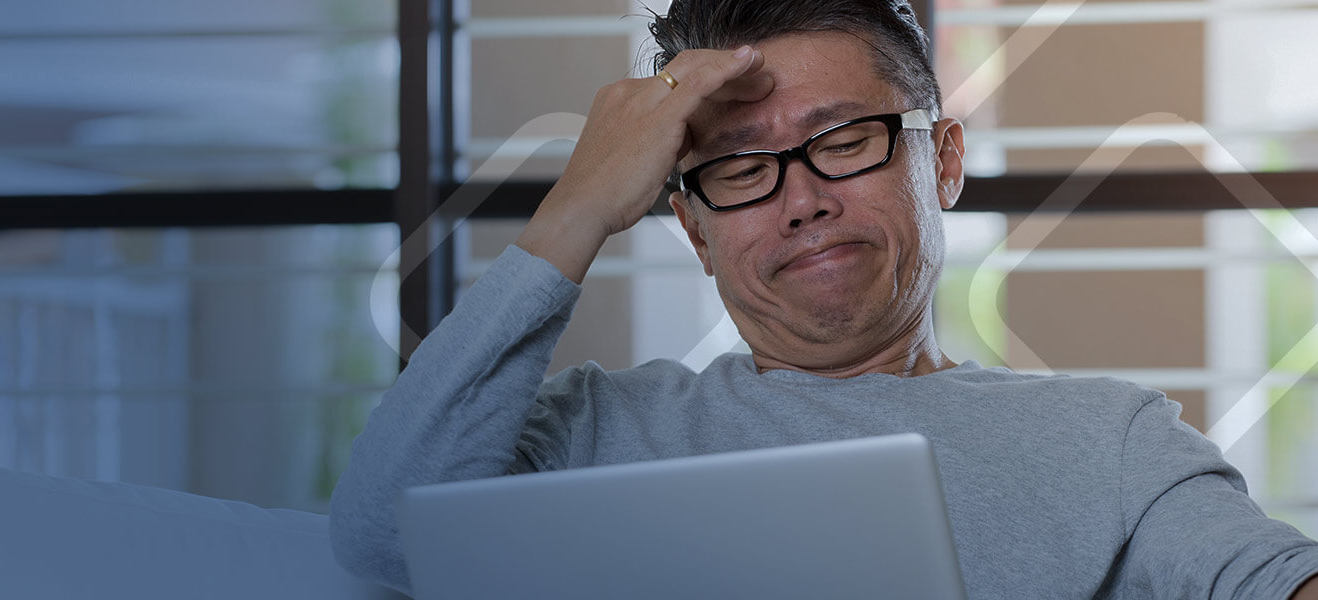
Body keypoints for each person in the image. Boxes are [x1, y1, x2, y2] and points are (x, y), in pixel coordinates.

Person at [330, 1, 1318, 597]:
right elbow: (383, 533)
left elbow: (1263, 578)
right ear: (691, 227)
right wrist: (576, 208)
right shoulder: (585, 432)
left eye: (843, 141)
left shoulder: (1110, 442)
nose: (800, 199)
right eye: (740, 171)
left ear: (943, 160)